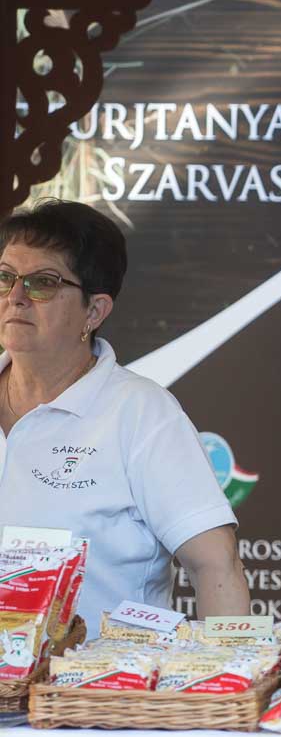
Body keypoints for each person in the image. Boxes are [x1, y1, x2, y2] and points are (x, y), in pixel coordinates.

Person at [0, 200, 248, 636]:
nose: (15, 297)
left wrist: (231, 669)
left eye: (43, 283)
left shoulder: (141, 413)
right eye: (5, 277)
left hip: (99, 677)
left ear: (94, 311)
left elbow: (215, 564)